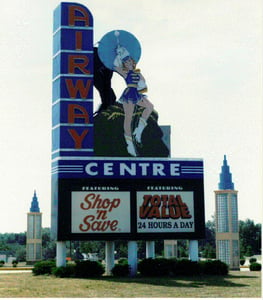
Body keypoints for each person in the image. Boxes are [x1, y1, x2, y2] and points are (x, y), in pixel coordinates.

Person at [114, 46, 154, 156]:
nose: (128, 62)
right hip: (129, 94)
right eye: (126, 62)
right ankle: (129, 144)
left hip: (137, 94)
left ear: (133, 61)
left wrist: (140, 77)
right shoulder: (125, 72)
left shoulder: (137, 72)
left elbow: (143, 84)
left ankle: (138, 131)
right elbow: (116, 66)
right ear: (124, 64)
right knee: (128, 118)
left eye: (129, 60)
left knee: (149, 107)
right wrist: (118, 54)